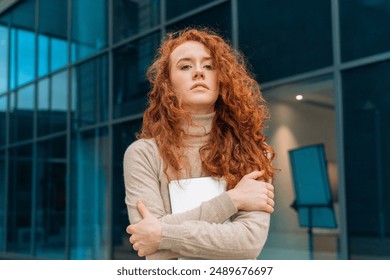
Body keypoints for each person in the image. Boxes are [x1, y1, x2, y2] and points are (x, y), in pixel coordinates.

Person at [123, 27, 276, 260]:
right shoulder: (144, 154)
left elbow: (248, 242)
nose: (198, 73)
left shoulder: (252, 151)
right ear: (167, 84)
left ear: (221, 78)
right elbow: (151, 248)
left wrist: (163, 234)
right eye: (185, 66)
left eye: (209, 66)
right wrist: (234, 199)